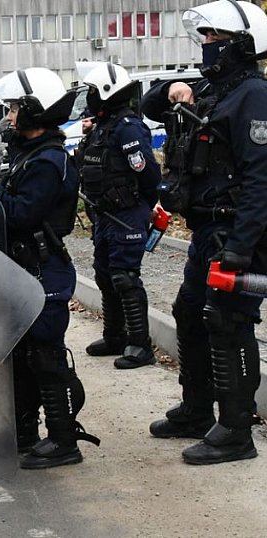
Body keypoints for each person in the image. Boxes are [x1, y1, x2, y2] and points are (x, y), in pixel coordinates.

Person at [141, 0, 267, 464]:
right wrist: (174, 88)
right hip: (207, 230)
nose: (208, 45)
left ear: (242, 45)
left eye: (216, 38)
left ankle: (236, 429)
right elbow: (151, 103)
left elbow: (261, 179)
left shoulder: (254, 94)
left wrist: (241, 248)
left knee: (229, 323)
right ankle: (196, 409)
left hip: (237, 233)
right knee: (190, 313)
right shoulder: (215, 89)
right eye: (206, 37)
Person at [0, 67, 100, 469]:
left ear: (37, 110)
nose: (10, 115)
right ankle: (25, 432)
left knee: (45, 355)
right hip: (21, 267)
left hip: (43, 268)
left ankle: (62, 439)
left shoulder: (49, 160)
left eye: (17, 107)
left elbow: (23, 213)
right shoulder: (25, 153)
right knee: (21, 354)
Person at [78, 62, 162, 369]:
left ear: (106, 92)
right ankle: (114, 335)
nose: (89, 97)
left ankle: (140, 345)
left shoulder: (127, 127)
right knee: (104, 273)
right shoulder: (104, 126)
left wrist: (141, 207)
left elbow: (148, 174)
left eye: (91, 91)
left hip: (126, 214)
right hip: (105, 216)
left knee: (125, 277)